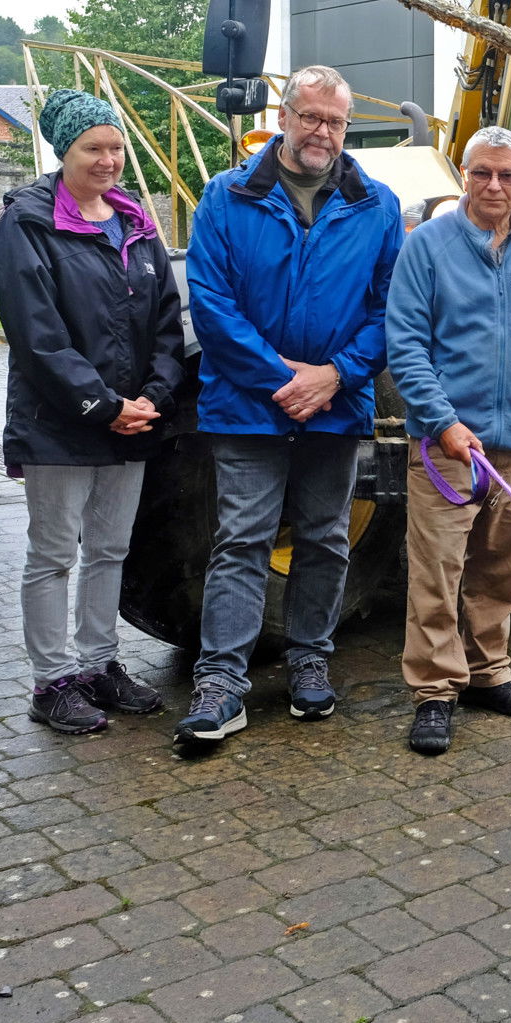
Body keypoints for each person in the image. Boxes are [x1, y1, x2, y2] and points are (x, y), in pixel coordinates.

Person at [177, 66, 400, 748]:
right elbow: (211, 308)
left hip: (335, 405)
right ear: (284, 116)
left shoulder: (377, 204)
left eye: (335, 121)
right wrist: (285, 379)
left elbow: (390, 309)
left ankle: (310, 660)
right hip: (249, 406)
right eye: (310, 117)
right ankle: (221, 682)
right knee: (242, 538)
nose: (322, 132)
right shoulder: (226, 197)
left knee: (327, 536)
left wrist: (335, 375)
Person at [0, 90, 186, 735]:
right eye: (92, 148)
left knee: (110, 549)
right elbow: (37, 333)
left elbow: (165, 321)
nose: (108, 161)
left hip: (130, 422)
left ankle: (100, 664)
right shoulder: (28, 222)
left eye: (116, 148)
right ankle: (52, 681)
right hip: (60, 425)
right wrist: (101, 406)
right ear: (63, 150)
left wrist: (152, 400)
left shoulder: (135, 224)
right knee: (53, 554)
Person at [384, 126, 511, 757]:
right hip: (447, 446)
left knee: (502, 566)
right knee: (437, 571)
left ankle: (488, 670)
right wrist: (442, 422)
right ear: (463, 176)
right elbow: (406, 345)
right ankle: (437, 691)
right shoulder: (427, 247)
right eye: (480, 173)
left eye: (507, 175)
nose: (493, 185)